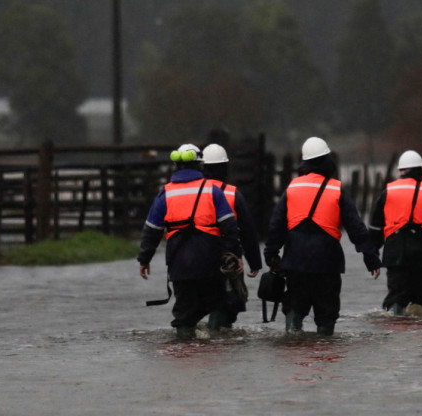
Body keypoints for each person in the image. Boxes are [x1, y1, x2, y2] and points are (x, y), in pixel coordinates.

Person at [264, 137, 382, 336]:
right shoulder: (337, 189)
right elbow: (356, 228)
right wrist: (371, 257)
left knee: (294, 305)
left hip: (295, 260)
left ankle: (292, 342)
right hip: (327, 261)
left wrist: (271, 254)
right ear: (328, 160)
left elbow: (276, 226)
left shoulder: (292, 188)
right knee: (327, 312)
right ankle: (325, 349)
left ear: (305, 163)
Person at [137, 144, 244, 339]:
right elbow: (230, 227)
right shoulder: (212, 190)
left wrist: (144, 259)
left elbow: (151, 231)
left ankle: (185, 350)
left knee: (184, 313)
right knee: (216, 303)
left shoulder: (165, 193)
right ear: (200, 165)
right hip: (211, 261)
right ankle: (217, 352)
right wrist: (234, 255)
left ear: (176, 166)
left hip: (179, 263)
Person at [368, 150, 422, 315]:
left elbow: (374, 230)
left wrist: (373, 254)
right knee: (421, 299)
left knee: (396, 295)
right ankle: (419, 332)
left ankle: (394, 320)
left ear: (401, 171)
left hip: (395, 253)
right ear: (420, 170)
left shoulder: (387, 192)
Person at [202, 143, 263, 326]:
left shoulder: (194, 192)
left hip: (197, 257)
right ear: (225, 167)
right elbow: (247, 231)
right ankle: (219, 338)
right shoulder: (232, 194)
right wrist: (255, 262)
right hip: (228, 260)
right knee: (227, 306)